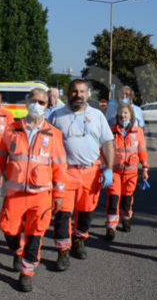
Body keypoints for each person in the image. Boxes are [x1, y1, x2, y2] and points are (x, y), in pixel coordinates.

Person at [0, 88, 66, 292]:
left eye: (42, 102)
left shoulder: (53, 134)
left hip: (41, 195)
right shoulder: (11, 129)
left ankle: (27, 272)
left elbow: (60, 167)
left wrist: (59, 195)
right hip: (14, 193)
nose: (37, 105)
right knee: (7, 228)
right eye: (34, 100)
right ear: (27, 102)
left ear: (47, 106)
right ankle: (17, 250)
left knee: (36, 234)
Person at [48, 79, 115, 271]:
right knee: (62, 214)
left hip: (91, 172)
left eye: (82, 91)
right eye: (75, 91)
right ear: (68, 93)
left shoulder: (97, 116)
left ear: (88, 94)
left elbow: (108, 143)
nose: (78, 94)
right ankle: (62, 251)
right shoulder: (56, 116)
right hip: (65, 172)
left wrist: (109, 168)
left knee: (86, 212)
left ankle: (79, 240)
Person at [105, 103, 149, 241]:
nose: (123, 115)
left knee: (127, 198)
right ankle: (111, 227)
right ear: (117, 115)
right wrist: (104, 169)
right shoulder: (111, 131)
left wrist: (145, 168)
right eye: (121, 113)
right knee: (113, 198)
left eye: (126, 113)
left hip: (131, 173)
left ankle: (126, 219)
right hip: (115, 172)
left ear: (131, 115)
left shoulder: (138, 132)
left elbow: (142, 151)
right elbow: (105, 151)